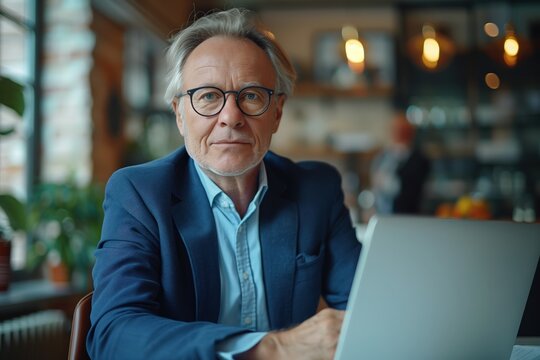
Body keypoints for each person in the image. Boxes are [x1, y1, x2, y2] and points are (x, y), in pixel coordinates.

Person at [88, 8, 361, 360]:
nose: (231, 117)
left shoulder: (316, 190)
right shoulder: (139, 194)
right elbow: (113, 335)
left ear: (276, 112)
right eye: (208, 96)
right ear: (179, 114)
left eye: (250, 96)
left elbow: (366, 311)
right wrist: (269, 348)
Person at [370, 110, 430, 215]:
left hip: (406, 217)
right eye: (395, 130)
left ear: (410, 133)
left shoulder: (419, 159)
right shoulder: (383, 156)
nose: (398, 133)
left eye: (402, 130)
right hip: (382, 215)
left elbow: (408, 190)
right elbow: (375, 184)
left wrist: (385, 182)